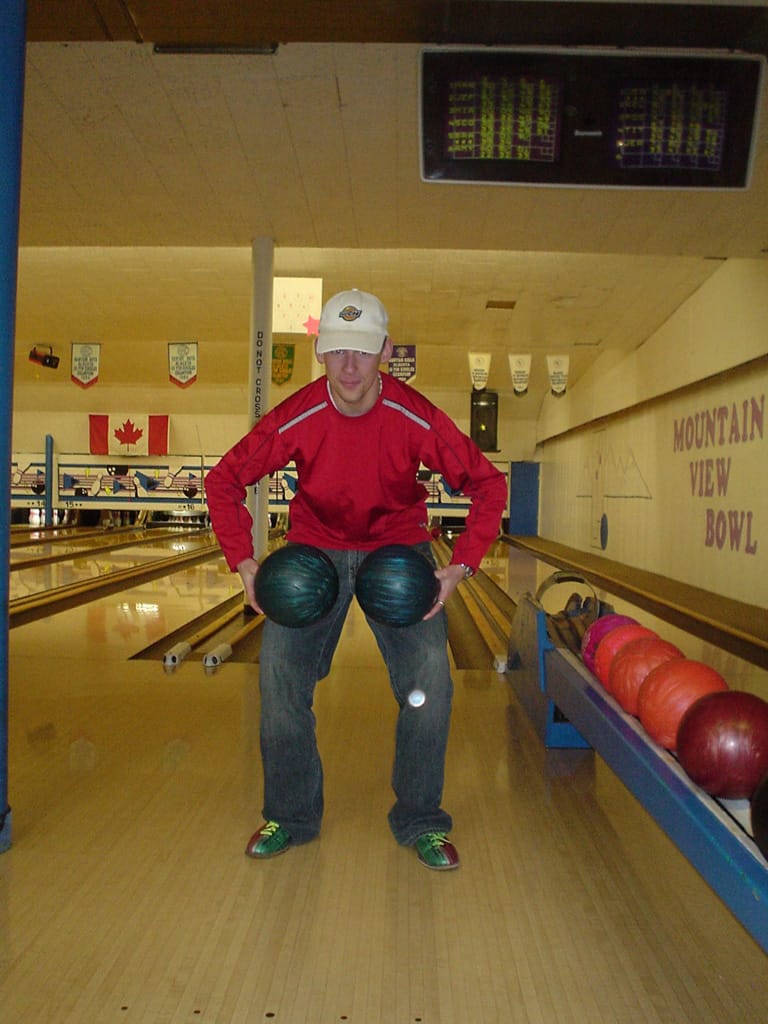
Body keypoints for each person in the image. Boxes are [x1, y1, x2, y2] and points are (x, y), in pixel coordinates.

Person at [205, 288, 507, 870]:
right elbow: (224, 479)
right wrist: (243, 561)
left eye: (363, 351)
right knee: (279, 678)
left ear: (385, 353)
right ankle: (289, 816)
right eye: (338, 350)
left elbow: (489, 484)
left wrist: (460, 566)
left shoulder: (413, 416)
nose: (350, 366)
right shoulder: (298, 415)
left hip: (397, 552)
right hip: (314, 554)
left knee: (429, 683)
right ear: (321, 353)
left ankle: (421, 819)